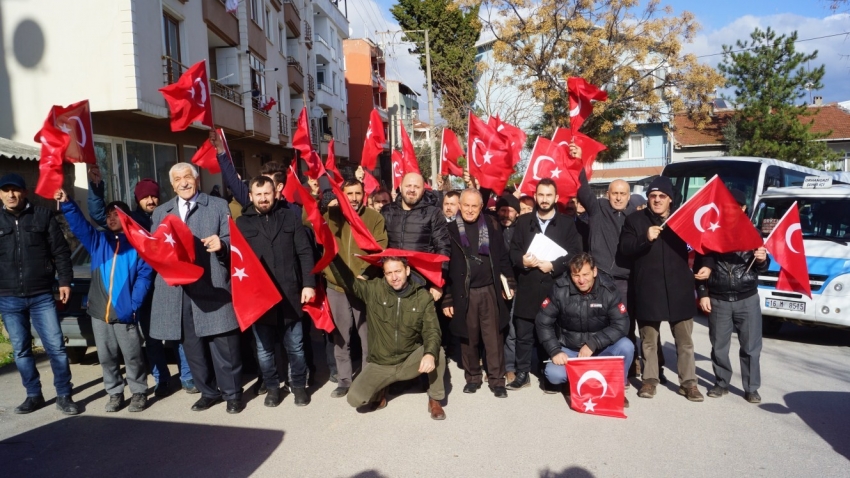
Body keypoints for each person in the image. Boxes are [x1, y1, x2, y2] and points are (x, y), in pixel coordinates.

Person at [87, 167, 197, 396]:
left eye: (154, 195)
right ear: (138, 199)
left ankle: (187, 376)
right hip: (142, 287)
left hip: (168, 285)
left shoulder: (169, 213)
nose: (150, 200)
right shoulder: (130, 220)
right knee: (152, 337)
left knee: (177, 334)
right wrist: (97, 188)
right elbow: (101, 216)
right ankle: (162, 379)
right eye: (145, 196)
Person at [149, 163, 245, 414]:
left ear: (197, 179)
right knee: (192, 346)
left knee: (223, 342)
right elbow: (155, 249)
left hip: (212, 282)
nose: (184, 183)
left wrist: (222, 244)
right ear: (172, 185)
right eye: (178, 179)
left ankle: (233, 393)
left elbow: (233, 241)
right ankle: (208, 392)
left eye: (188, 177)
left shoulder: (217, 205)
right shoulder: (161, 212)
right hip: (178, 290)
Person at [56, 189, 153, 412]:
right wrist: (67, 203)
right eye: (108, 214)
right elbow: (80, 226)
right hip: (99, 311)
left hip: (125, 312)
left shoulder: (138, 245)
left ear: (126, 218)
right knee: (106, 356)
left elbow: (144, 277)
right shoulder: (98, 241)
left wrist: (133, 305)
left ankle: (138, 392)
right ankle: (115, 393)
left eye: (116, 214)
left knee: (133, 354)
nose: (111, 218)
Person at [327, 255, 447, 420]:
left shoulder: (422, 297)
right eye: (389, 273)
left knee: (437, 352)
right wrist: (333, 258)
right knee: (355, 399)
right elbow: (349, 282)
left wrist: (429, 354)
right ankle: (381, 390)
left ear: (407, 270)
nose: (394, 277)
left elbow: (432, 330)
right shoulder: (374, 289)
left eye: (397, 271)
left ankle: (435, 398)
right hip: (381, 363)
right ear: (384, 274)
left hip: (409, 360)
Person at [619, 176, 703, 402]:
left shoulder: (684, 221)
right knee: (648, 340)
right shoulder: (635, 220)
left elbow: (704, 247)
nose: (657, 200)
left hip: (680, 290)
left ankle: (689, 384)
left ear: (670, 199)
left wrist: (708, 268)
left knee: (685, 342)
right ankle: (650, 381)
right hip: (648, 289)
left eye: (662, 196)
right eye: (653, 196)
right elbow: (624, 248)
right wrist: (645, 238)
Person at [0, 174, 78, 415]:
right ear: (0, 194)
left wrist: (64, 281)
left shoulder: (43, 216)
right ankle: (33, 395)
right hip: (8, 296)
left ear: (25, 192)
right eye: (6, 190)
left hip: (42, 294)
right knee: (21, 349)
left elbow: (61, 252)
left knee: (55, 347)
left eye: (15, 190)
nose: (11, 195)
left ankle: (64, 395)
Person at [575, 170, 663, 381]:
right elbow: (582, 189)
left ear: (629, 195)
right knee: (602, 323)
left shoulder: (637, 214)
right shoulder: (597, 208)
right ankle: (606, 366)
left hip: (628, 279)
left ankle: (642, 366)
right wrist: (577, 160)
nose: (618, 197)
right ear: (607, 194)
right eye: (614, 193)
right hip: (602, 279)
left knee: (628, 323)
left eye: (623, 193)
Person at [237, 176, 316, 407]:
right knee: (264, 350)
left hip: (291, 295)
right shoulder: (242, 223)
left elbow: (305, 253)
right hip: (260, 300)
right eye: (258, 194)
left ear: (276, 194)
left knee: (296, 347)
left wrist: (308, 284)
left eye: (267, 193)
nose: (263, 198)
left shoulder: (291, 217)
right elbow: (236, 260)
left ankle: (299, 386)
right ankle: (272, 387)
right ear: (251, 197)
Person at [508, 179, 583, 391]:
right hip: (528, 286)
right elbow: (513, 251)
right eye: (540, 195)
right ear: (535, 197)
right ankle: (522, 372)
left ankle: (548, 374)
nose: (544, 199)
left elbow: (575, 253)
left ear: (556, 198)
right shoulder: (523, 222)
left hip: (555, 288)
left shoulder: (568, 223)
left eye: (549, 195)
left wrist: (554, 265)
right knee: (524, 333)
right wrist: (521, 260)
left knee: (551, 332)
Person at [695, 189, 769, 404]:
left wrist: (763, 259)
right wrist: (703, 293)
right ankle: (721, 383)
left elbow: (762, 267)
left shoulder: (754, 233)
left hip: (747, 298)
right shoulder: (710, 232)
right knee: (719, 346)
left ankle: (751, 388)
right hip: (718, 299)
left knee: (751, 347)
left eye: (734, 207)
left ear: (743, 209)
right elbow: (702, 265)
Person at [536, 253, 634, 407]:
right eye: (576, 275)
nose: (581, 280)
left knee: (627, 346)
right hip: (570, 348)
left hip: (600, 348)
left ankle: (617, 387)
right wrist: (555, 350)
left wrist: (594, 343)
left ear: (594, 271)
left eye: (585, 274)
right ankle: (575, 381)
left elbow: (621, 324)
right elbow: (543, 322)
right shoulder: (559, 289)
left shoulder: (608, 289)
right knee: (553, 375)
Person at [443, 189, 515, 398]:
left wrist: (509, 284)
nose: (470, 210)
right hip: (463, 292)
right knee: (468, 338)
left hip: (489, 290)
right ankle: (472, 377)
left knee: (493, 337)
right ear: (459, 205)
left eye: (475, 206)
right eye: (466, 205)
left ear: (481, 207)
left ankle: (497, 380)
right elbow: (444, 267)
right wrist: (447, 297)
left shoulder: (492, 226)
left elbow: (502, 258)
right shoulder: (449, 230)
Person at [323, 178, 388, 398]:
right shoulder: (333, 215)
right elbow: (308, 223)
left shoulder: (374, 218)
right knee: (342, 338)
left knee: (367, 337)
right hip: (337, 287)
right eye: (349, 194)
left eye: (357, 193)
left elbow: (380, 249)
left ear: (364, 194)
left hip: (363, 286)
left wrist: (365, 274)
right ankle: (344, 380)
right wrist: (322, 204)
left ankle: (368, 380)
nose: (353, 198)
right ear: (342, 195)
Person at [381, 172, 451, 302]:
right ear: (400, 187)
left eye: (416, 187)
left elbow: (443, 248)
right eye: (408, 186)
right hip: (392, 281)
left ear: (423, 190)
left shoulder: (433, 213)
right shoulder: (387, 211)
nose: (412, 190)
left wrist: (439, 282)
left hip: (421, 283)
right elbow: (378, 245)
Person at [495, 192, 521, 383]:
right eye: (502, 210)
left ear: (517, 213)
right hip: (494, 285)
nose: (506, 214)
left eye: (510, 210)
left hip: (516, 287)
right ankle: (494, 365)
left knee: (511, 328)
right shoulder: (492, 227)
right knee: (493, 329)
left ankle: (510, 366)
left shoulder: (523, 231)